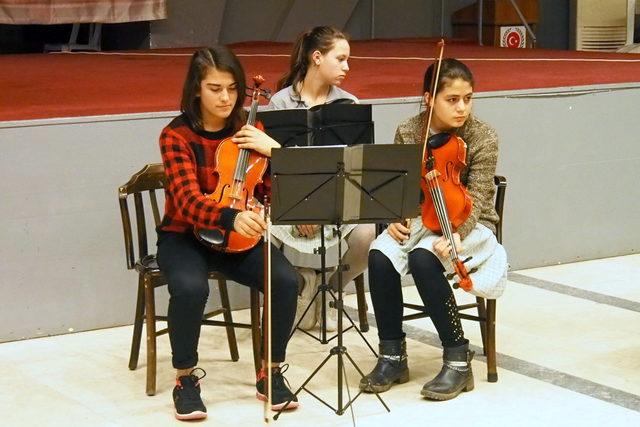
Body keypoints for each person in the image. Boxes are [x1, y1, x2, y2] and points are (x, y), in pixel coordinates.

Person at [156, 46, 300, 421]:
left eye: (233, 89)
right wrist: (229, 217)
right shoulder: (175, 135)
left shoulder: (250, 132)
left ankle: (271, 371)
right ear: (196, 90)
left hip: (237, 237)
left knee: (286, 280)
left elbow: (267, 189)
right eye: (215, 88)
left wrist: (275, 157)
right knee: (191, 288)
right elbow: (186, 202)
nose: (225, 98)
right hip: (184, 235)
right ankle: (186, 379)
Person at [359, 58, 508, 400]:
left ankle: (458, 359)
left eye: (467, 98)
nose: (461, 108)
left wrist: (456, 233)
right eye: (452, 99)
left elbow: (480, 196)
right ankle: (392, 356)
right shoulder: (410, 131)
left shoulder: (482, 135)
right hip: (422, 219)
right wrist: (397, 215)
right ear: (429, 98)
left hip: (471, 224)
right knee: (379, 255)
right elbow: (404, 189)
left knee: (426, 259)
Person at [267, 26, 376, 331]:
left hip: (336, 199)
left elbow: (354, 170)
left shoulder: (350, 104)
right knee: (261, 236)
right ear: (317, 57)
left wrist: (324, 205)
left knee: (368, 235)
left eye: (348, 60)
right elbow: (275, 169)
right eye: (340, 59)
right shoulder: (279, 103)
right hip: (292, 200)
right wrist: (303, 207)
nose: (347, 67)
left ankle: (327, 288)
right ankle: (292, 289)